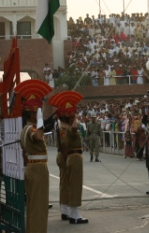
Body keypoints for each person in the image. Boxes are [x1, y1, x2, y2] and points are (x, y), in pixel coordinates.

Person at [15, 79, 53, 233]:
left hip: (33, 168)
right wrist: (39, 121)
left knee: (32, 206)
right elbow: (37, 137)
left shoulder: (25, 128)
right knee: (38, 206)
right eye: (38, 110)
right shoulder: (32, 128)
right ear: (33, 113)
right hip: (37, 170)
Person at [49, 91, 88, 224]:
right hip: (72, 155)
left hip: (65, 155)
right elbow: (68, 139)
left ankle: (65, 210)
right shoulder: (68, 127)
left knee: (65, 183)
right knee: (74, 184)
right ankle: (74, 214)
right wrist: (75, 119)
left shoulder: (60, 125)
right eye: (71, 115)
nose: (73, 117)